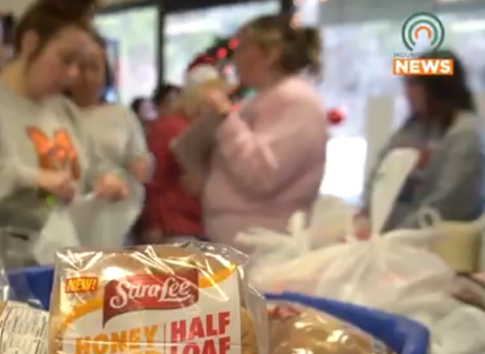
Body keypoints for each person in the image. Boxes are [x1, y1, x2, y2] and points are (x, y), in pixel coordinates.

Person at [0, 0, 128, 252]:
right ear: (30, 42)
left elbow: (90, 167)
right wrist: (29, 179)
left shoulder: (62, 109)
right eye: (66, 60)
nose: (73, 75)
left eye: (79, 64)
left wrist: (104, 180)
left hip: (56, 261)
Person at [173, 14, 328, 248]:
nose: (235, 59)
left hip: (265, 242)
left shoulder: (296, 100)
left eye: (243, 48)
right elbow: (194, 151)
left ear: (271, 54)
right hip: (239, 239)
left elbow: (263, 175)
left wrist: (225, 117)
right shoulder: (259, 99)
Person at [358, 50, 484, 233]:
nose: (407, 92)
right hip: (385, 237)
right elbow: (379, 176)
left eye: (414, 84)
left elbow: (447, 205)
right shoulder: (411, 130)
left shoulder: (465, 134)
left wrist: (395, 236)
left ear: (438, 87)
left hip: (431, 240)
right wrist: (365, 217)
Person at [139, 58, 223, 243]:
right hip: (175, 225)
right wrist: (153, 223)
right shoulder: (170, 128)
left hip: (199, 225)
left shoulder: (201, 126)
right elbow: (153, 180)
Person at [67, 31, 153, 184]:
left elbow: (141, 162)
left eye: (94, 68)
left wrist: (140, 167)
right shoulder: (56, 114)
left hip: (119, 197)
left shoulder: (122, 116)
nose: (87, 77)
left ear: (105, 74)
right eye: (81, 68)